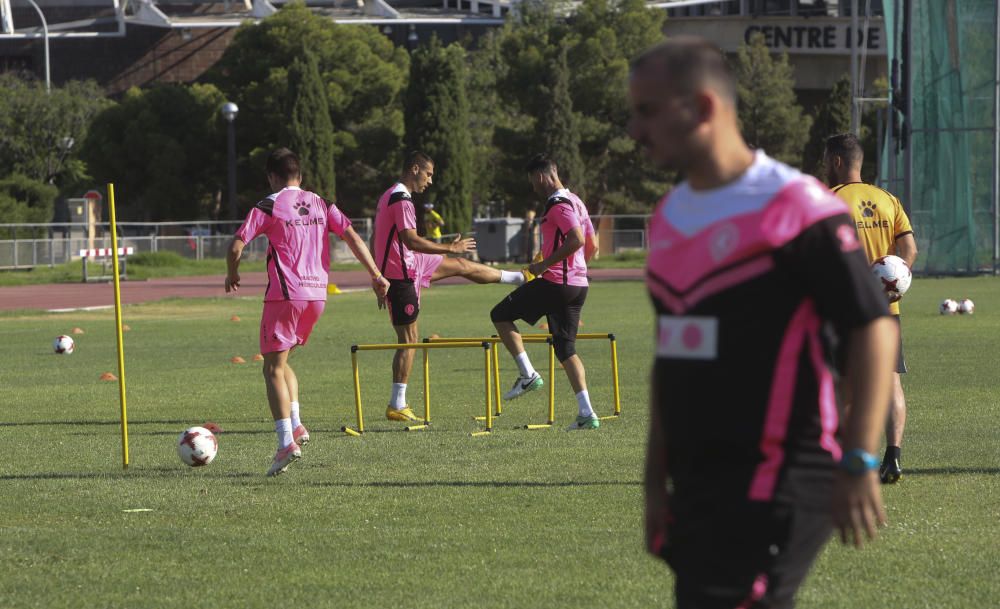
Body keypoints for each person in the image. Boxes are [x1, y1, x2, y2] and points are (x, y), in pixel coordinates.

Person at [629, 38, 898, 609]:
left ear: (702, 108)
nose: (636, 129)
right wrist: (656, 483)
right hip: (701, 484)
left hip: (782, 473)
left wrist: (859, 457)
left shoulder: (798, 208)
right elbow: (672, 355)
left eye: (648, 111)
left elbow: (872, 328)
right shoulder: (670, 218)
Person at [225, 148, 389, 476]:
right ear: (300, 175)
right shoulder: (321, 203)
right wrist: (376, 275)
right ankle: (297, 425)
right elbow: (352, 236)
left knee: (271, 368)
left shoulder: (269, 204)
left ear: (272, 176)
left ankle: (286, 442)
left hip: (286, 294)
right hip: (317, 297)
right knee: (282, 362)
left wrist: (232, 273)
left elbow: (236, 245)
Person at [374, 151, 529, 422]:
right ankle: (396, 403)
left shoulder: (393, 194)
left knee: (460, 265)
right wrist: (449, 246)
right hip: (400, 276)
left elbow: (388, 239)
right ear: (414, 169)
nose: (430, 181)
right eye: (429, 174)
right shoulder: (400, 198)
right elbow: (410, 240)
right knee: (408, 340)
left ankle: (520, 277)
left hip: (411, 264)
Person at [825, 132, 918, 484]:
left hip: (846, 313)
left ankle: (847, 462)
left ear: (836, 162)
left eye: (825, 160)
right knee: (891, 383)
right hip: (886, 313)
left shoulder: (829, 199)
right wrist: (896, 283)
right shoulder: (887, 198)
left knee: (845, 389)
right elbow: (909, 249)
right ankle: (893, 457)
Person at [490, 155, 600, 431]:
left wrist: (544, 264)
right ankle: (587, 414)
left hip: (557, 283)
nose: (533, 188)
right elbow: (592, 245)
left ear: (541, 177)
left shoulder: (558, 204)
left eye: (533, 182)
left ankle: (527, 374)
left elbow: (577, 239)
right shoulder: (577, 201)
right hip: (579, 285)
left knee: (500, 315)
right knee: (566, 349)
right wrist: (576, 268)